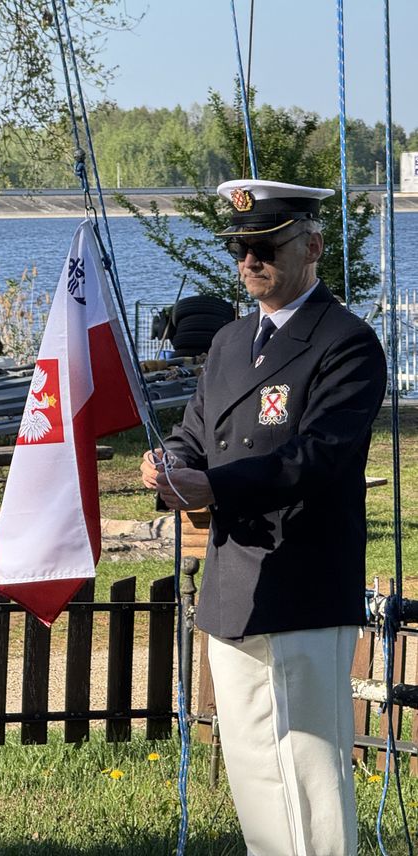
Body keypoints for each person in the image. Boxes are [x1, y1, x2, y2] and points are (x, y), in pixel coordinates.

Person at [140, 180, 387, 856]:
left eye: (266, 247)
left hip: (302, 585)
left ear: (312, 246)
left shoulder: (345, 342)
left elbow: (317, 458)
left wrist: (214, 486)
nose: (249, 260)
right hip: (233, 586)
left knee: (307, 775)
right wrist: (168, 463)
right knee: (254, 775)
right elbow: (195, 432)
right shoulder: (228, 341)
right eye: (239, 248)